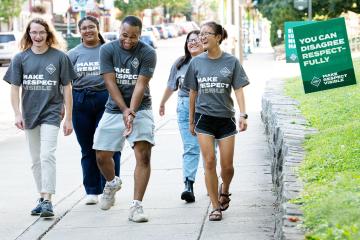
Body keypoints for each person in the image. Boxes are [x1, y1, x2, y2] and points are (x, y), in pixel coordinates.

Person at [3, 17, 77, 217]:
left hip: (52, 113)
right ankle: (41, 196)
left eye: (41, 32)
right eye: (33, 32)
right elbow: (14, 89)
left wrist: (68, 116)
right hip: (29, 114)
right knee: (36, 160)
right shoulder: (20, 58)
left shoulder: (60, 57)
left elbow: (67, 88)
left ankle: (48, 200)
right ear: (28, 34)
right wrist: (17, 114)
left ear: (48, 34)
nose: (37, 36)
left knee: (47, 156)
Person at [93, 16, 157, 223]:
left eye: (134, 37)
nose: (128, 40)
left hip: (141, 107)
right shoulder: (107, 50)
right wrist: (123, 109)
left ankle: (136, 206)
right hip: (114, 108)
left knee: (143, 155)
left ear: (140, 34)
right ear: (118, 30)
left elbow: (140, 85)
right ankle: (111, 183)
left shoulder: (148, 53)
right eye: (124, 35)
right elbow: (110, 82)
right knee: (102, 155)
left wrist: (132, 111)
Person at [184, 21, 249, 221]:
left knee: (227, 166)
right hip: (204, 118)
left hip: (226, 118)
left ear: (218, 37)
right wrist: (191, 120)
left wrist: (243, 114)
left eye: (206, 34)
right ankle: (214, 207)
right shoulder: (196, 62)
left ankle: (225, 189)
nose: (202, 37)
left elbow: (238, 89)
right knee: (209, 162)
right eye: (200, 34)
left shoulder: (231, 62)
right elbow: (193, 92)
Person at [67, 16, 121, 205]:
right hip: (80, 101)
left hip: (106, 100)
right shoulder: (72, 54)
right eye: (84, 28)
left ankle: (110, 184)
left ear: (98, 29)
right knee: (87, 148)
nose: (88, 31)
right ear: (79, 31)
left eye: (91, 27)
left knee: (108, 147)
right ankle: (91, 190)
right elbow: (65, 84)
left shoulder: (108, 50)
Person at [159, 30, 203, 203]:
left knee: (210, 150)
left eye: (196, 40)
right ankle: (188, 185)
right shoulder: (180, 63)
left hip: (207, 108)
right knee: (191, 147)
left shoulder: (210, 62)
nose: (192, 43)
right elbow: (171, 86)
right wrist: (163, 102)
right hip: (185, 107)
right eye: (189, 40)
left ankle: (212, 182)